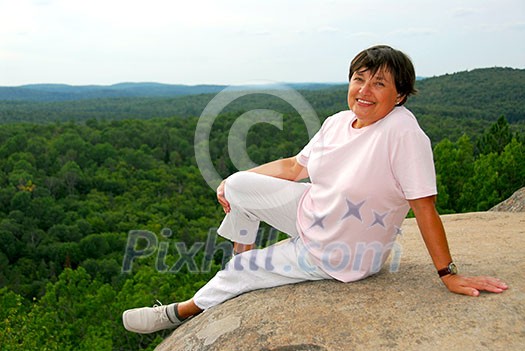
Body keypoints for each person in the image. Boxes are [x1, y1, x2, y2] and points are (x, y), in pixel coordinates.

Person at [122, 45, 508, 334]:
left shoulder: (403, 133)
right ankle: (244, 247)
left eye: (379, 83)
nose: (365, 90)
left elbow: (424, 208)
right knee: (239, 184)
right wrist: (230, 183)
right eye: (359, 78)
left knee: (242, 270)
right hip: (311, 209)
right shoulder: (338, 122)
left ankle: (180, 311)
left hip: (340, 250)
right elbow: (293, 168)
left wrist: (448, 273)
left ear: (400, 95)